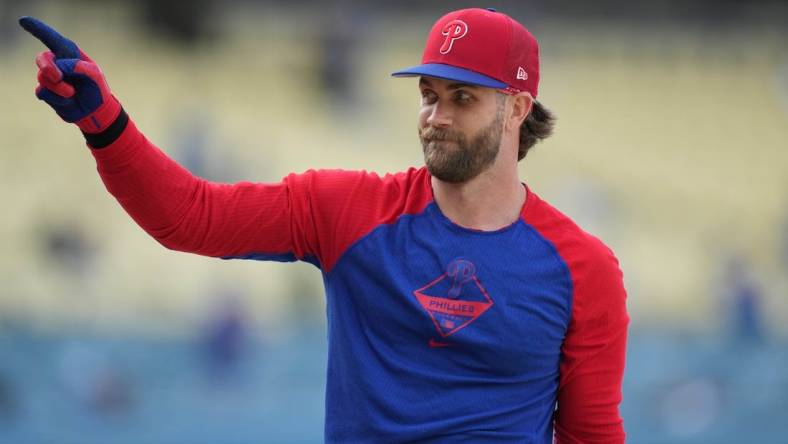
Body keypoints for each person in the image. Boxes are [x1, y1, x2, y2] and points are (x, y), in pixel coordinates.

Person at [19, 7, 629, 443]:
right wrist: (104, 124)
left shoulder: (584, 269)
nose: (436, 116)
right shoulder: (345, 210)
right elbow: (189, 217)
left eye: (462, 98)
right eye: (427, 94)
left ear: (518, 109)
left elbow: (592, 435)